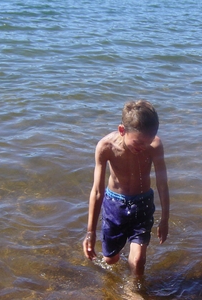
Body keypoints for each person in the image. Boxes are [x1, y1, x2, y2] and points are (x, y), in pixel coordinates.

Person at [82, 100, 170, 277]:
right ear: (122, 130)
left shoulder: (155, 146)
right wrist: (90, 232)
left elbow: (162, 184)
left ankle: (135, 292)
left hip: (143, 204)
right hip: (115, 205)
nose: (144, 147)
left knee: (137, 261)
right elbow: (97, 191)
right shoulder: (106, 147)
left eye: (149, 141)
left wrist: (165, 219)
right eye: (138, 143)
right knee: (110, 260)